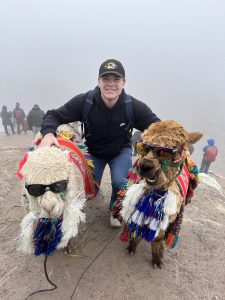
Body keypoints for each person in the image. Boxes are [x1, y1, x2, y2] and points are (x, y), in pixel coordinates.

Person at [40, 58, 160, 227]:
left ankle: (115, 208)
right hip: (93, 152)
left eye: (116, 79)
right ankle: (89, 197)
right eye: (106, 79)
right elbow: (54, 115)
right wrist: (48, 134)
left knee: (121, 183)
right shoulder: (85, 102)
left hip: (120, 151)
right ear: (98, 81)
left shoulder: (133, 106)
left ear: (124, 82)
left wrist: (179, 142)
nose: (111, 84)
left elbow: (158, 127)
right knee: (86, 191)